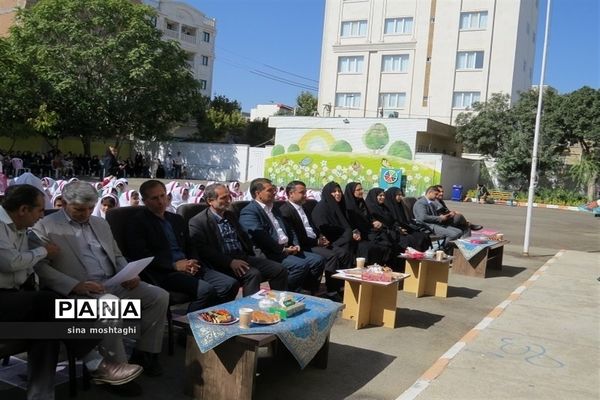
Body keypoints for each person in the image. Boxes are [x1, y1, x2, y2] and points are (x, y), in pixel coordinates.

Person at [31, 181, 169, 377]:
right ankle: (116, 370)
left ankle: (145, 353)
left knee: (159, 296)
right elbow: (41, 268)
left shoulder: (100, 223)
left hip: (112, 282)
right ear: (64, 202)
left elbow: (117, 255)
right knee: (111, 307)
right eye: (79, 209)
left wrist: (129, 273)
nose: (85, 213)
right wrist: (75, 285)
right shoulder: (45, 226)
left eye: (89, 208)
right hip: (76, 292)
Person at [0, 185, 114, 400]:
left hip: (18, 298)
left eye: (91, 208)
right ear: (24, 209)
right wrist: (45, 252)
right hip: (9, 299)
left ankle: (41, 396)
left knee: (46, 332)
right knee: (53, 302)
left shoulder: (22, 226)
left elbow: (116, 255)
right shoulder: (32, 226)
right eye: (39, 210)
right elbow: (11, 262)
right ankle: (98, 362)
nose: (42, 214)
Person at [127, 180, 239, 311]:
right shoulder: (137, 223)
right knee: (206, 291)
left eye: (163, 196)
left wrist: (193, 261)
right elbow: (141, 255)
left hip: (190, 266)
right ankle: (188, 324)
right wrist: (174, 265)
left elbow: (190, 245)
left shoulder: (176, 219)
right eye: (154, 198)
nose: (161, 201)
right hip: (165, 272)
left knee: (230, 284)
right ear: (145, 201)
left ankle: (213, 318)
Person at [188, 183, 288, 296]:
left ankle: (280, 302)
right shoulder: (198, 222)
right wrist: (230, 262)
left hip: (241, 256)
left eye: (229, 197)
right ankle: (249, 309)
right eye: (223, 198)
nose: (228, 201)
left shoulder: (230, 215)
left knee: (279, 269)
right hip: (221, 261)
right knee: (252, 274)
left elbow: (244, 238)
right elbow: (204, 250)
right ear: (210, 201)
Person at [239, 178, 325, 293]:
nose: (274, 192)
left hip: (287, 248)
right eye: (270, 190)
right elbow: (262, 238)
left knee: (317, 260)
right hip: (271, 252)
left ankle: (307, 292)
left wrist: (295, 244)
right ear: (258, 193)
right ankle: (286, 294)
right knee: (299, 265)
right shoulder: (249, 212)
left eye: (274, 189)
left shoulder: (274, 209)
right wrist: (283, 249)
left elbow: (289, 229)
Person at [279, 181, 350, 301]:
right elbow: (295, 236)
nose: (305, 195)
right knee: (331, 256)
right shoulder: (286, 211)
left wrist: (321, 237)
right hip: (304, 245)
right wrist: (317, 243)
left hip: (314, 241)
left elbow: (313, 226)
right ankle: (328, 290)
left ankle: (339, 286)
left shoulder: (304, 208)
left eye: (305, 192)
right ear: (291, 194)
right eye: (302, 192)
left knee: (343, 253)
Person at [344, 182, 392, 266]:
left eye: (361, 189)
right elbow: (348, 223)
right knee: (371, 246)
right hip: (357, 234)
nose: (361, 191)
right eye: (358, 190)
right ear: (352, 191)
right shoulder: (347, 205)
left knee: (386, 241)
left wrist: (374, 222)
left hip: (367, 230)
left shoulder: (361, 203)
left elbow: (368, 218)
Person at [382, 187, 431, 251]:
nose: (400, 197)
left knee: (423, 236)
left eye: (401, 195)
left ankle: (421, 256)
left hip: (405, 228)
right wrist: (399, 229)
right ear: (392, 195)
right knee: (411, 239)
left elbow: (404, 220)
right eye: (398, 195)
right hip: (396, 230)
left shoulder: (400, 205)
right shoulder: (387, 207)